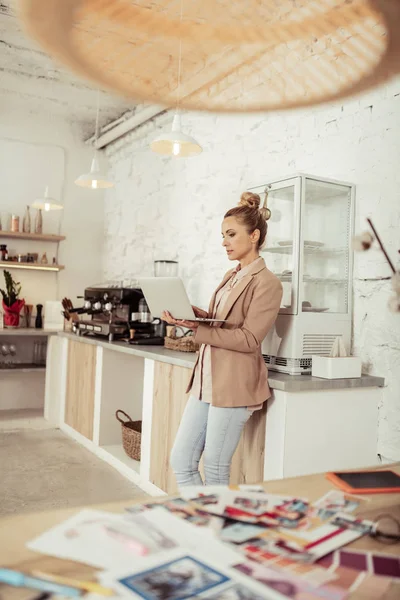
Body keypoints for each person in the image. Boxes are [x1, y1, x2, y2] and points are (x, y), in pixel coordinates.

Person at [162, 192, 283, 487]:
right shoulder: (232, 275)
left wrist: (197, 330)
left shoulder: (268, 283)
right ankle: (203, 523)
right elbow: (223, 321)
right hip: (206, 380)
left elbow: (249, 338)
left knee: (215, 468)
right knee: (181, 460)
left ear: (254, 236)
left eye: (231, 234)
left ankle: (214, 528)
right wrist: (190, 315)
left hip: (233, 384)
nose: (224, 242)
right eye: (223, 235)